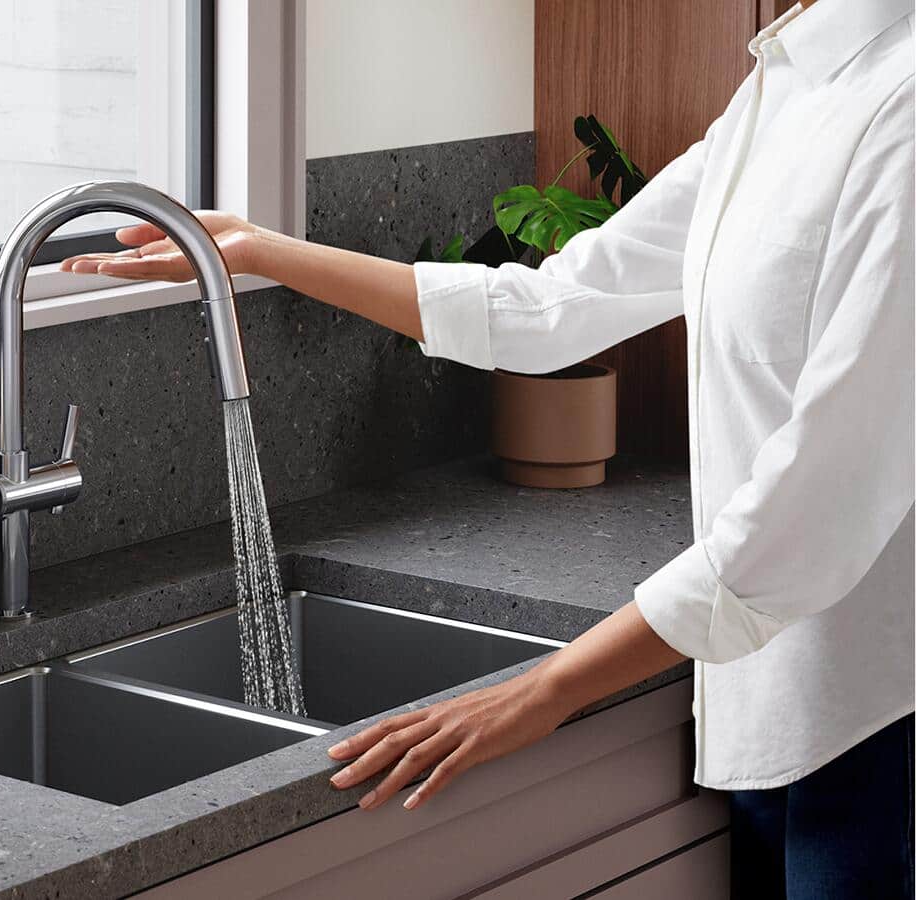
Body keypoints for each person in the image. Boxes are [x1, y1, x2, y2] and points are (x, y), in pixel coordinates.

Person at [61, 0, 914, 895]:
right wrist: (263, 251)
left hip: (876, 721)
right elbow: (553, 308)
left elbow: (820, 502)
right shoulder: (786, 86)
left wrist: (544, 691)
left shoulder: (901, 106)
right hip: (768, 704)